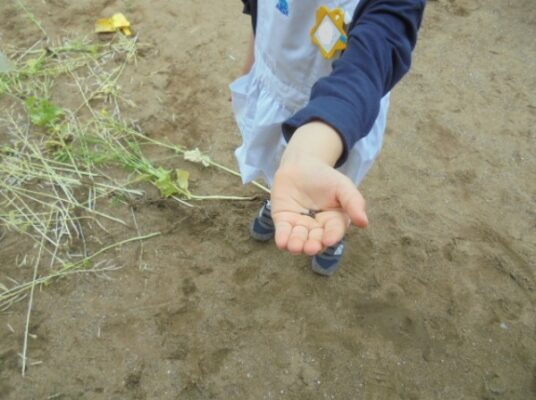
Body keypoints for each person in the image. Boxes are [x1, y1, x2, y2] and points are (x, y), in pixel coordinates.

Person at [230, 0, 426, 276]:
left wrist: (309, 153)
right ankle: (280, 194)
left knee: (330, 179)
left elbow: (373, 59)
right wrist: (249, 66)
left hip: (344, 115)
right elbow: (258, 11)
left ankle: (330, 225)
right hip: (274, 80)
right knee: (280, 163)